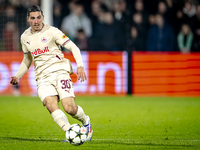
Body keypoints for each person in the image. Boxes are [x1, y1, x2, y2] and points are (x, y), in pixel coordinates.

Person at [10, 5, 93, 142]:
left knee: (69, 107)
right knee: (50, 104)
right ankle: (70, 132)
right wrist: (18, 75)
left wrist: (80, 65)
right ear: (28, 19)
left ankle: (86, 121)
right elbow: (27, 59)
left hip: (60, 72)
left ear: (42, 17)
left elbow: (73, 47)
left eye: (38, 17)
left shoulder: (53, 32)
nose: (36, 21)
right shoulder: (25, 37)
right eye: (33, 18)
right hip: (42, 77)